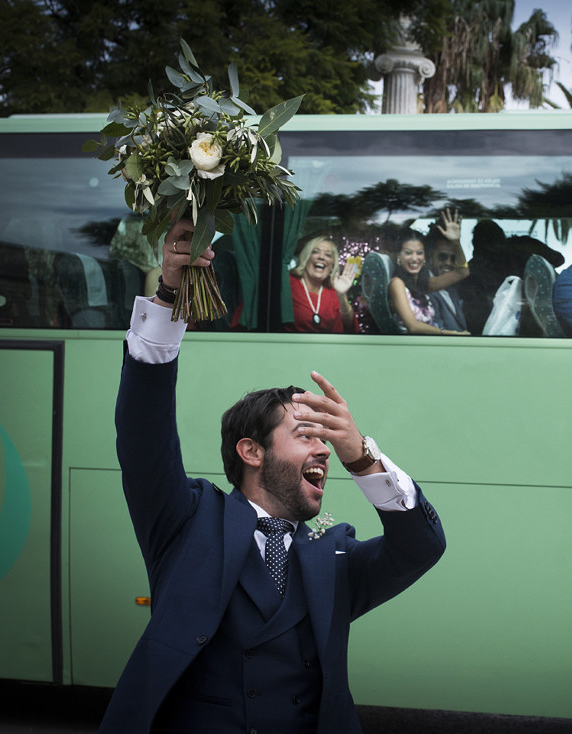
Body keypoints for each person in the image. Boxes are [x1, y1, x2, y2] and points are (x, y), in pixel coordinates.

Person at [102, 217, 446, 734]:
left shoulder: (336, 556)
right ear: (251, 452)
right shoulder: (186, 521)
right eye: (306, 434)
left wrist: (363, 458)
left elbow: (421, 547)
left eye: (326, 439)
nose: (324, 449)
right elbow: (142, 429)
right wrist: (170, 294)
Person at [388, 227, 470, 336]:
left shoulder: (423, 284)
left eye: (419, 253)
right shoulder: (397, 283)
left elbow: (463, 272)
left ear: (425, 258)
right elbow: (413, 326)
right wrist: (449, 333)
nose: (414, 258)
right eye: (408, 253)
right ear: (399, 256)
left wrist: (456, 243)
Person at [287, 235, 358, 333]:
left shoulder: (333, 292)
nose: (321, 257)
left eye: (328, 255)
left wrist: (341, 295)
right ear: (306, 258)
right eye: (315, 252)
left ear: (332, 266)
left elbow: (350, 328)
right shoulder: (289, 284)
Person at [424, 210, 470, 333]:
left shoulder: (452, 289)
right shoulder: (426, 287)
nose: (448, 263)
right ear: (430, 257)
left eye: (453, 259)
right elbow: (463, 271)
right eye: (442, 257)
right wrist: (456, 243)